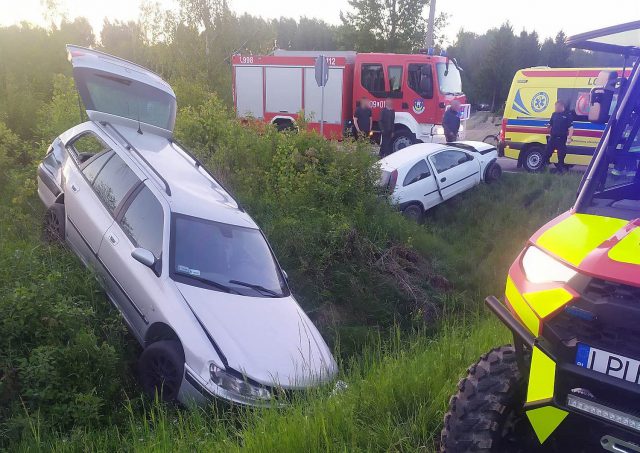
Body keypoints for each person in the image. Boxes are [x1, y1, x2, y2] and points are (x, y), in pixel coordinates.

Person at [546, 101, 574, 173]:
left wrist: (569, 138)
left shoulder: (567, 115)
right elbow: (550, 123)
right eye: (555, 107)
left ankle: (560, 170)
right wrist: (548, 126)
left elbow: (571, 128)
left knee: (561, 155)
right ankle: (544, 167)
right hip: (553, 138)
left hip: (561, 139)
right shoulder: (554, 114)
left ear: (561, 107)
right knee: (547, 153)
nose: (555, 108)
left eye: (557, 107)